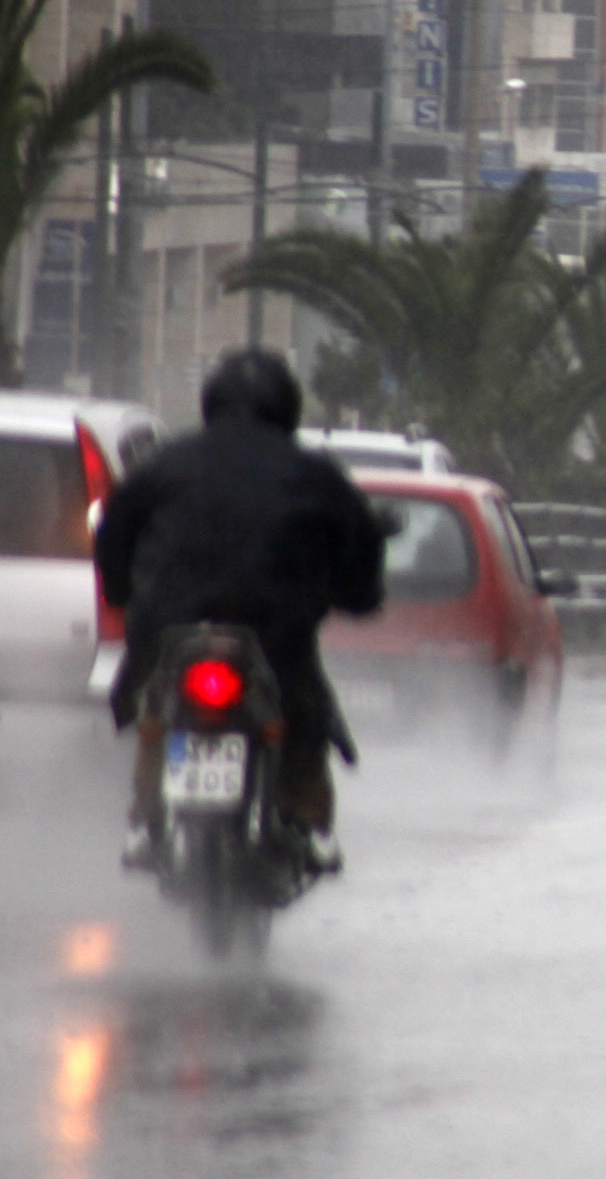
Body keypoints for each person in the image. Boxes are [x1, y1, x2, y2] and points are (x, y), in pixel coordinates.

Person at [95, 349, 387, 874]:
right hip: (274, 634)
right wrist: (356, 595)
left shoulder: (166, 463)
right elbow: (359, 549)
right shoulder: (312, 474)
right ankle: (306, 819)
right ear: (286, 407)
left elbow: (115, 532)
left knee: (153, 704)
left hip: (168, 629)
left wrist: (123, 594)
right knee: (304, 716)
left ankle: (145, 818)